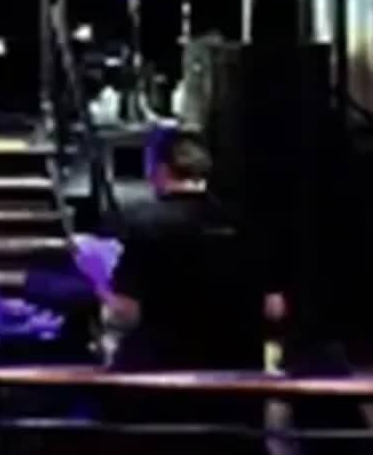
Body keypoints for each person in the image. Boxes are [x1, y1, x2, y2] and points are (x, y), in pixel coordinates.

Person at [99, 128, 264, 373]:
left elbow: (126, 311)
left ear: (160, 170)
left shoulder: (141, 224)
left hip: (162, 368)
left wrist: (101, 295)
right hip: (237, 367)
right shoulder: (243, 224)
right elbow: (273, 308)